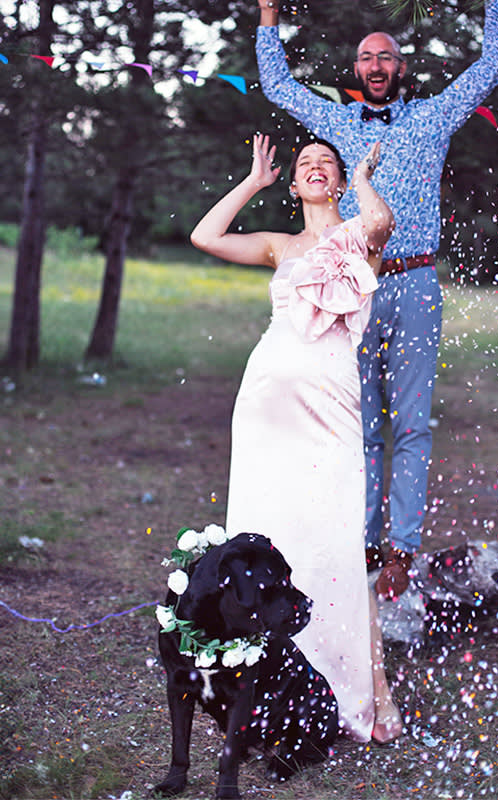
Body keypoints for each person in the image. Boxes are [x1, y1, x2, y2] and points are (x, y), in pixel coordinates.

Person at [255, 0, 498, 601]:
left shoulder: (435, 116)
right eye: (367, 57)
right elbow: (276, 84)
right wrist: (269, 14)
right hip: (353, 282)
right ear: (356, 69)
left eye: (386, 57)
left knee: (413, 425)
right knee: (361, 423)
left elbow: (494, 61)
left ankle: (402, 548)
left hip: (418, 282)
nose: (375, 64)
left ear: (401, 68)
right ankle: (362, 541)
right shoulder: (339, 124)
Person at [191, 133, 403, 743]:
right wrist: (252, 181)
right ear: (293, 183)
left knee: (334, 539)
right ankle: (254, 684)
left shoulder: (361, 232)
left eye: (325, 164)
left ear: (336, 181)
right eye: (305, 163)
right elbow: (204, 237)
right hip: (265, 406)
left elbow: (382, 219)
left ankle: (369, 689)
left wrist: (362, 174)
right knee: (266, 535)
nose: (314, 167)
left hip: (332, 402)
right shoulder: (278, 246)